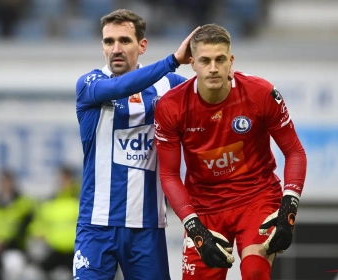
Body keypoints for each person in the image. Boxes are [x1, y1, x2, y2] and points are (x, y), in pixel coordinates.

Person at [154, 23, 307, 280]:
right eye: (205, 60)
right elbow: (169, 175)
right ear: (192, 63)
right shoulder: (171, 106)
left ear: (231, 61)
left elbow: (294, 152)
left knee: (255, 272)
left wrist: (288, 209)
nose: (213, 68)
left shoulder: (261, 93)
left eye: (220, 59)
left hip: (256, 198)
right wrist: (195, 229)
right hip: (204, 209)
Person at [74, 8, 198, 280]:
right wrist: (173, 60)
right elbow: (119, 88)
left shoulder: (170, 85)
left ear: (142, 45)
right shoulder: (90, 83)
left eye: (125, 41)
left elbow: (209, 96)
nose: (116, 49)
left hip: (147, 228)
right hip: (96, 226)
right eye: (109, 41)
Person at [0, 169, 34, 280]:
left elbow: (23, 229)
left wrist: (2, 243)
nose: (5, 185)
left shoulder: (23, 203)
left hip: (14, 247)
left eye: (8, 181)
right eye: (3, 182)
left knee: (13, 265)